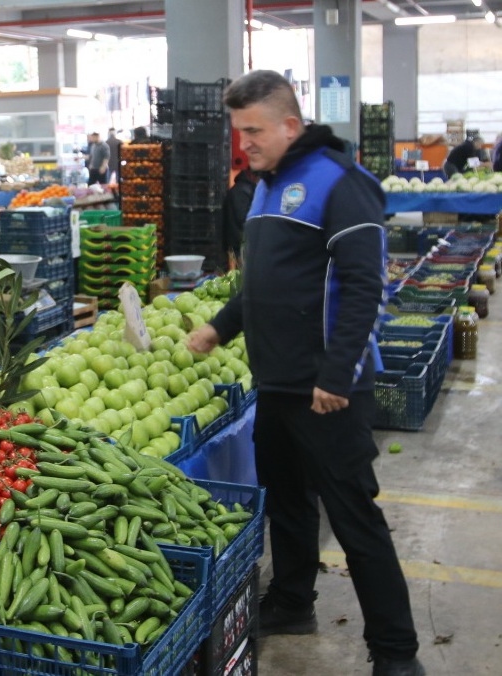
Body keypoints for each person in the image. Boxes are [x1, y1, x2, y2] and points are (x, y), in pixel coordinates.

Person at [186, 71, 424, 676]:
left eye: (254, 131)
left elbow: (365, 285)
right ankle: (293, 603)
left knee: (354, 519)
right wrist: (219, 326)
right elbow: (264, 282)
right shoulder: (266, 187)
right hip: (277, 384)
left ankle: (397, 653)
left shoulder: (341, 183)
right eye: (239, 132)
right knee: (288, 506)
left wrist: (337, 376)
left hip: (327, 391)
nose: (245, 144)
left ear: (290, 125)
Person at [220, 168, 257, 269]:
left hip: (239, 242)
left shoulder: (244, 189)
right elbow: (241, 221)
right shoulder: (242, 191)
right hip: (240, 243)